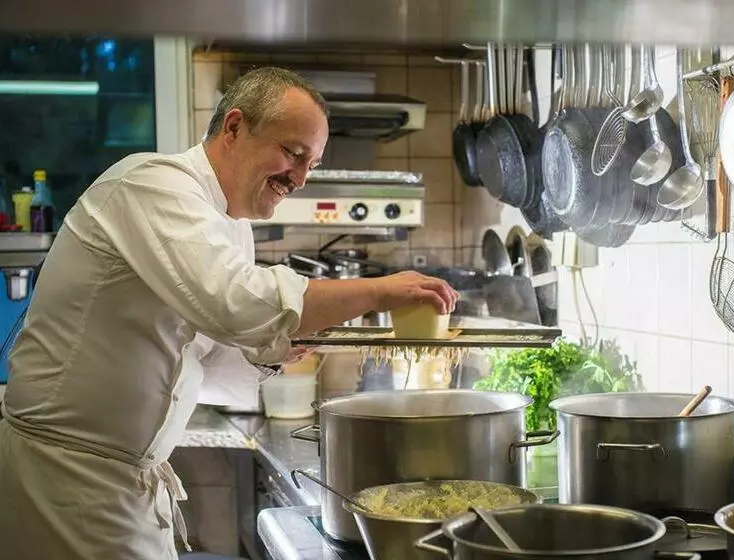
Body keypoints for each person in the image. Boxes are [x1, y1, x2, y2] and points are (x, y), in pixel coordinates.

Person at [0, 67, 457, 559]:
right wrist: (379, 291)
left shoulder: (230, 225)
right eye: (293, 153)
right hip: (66, 480)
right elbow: (236, 303)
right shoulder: (152, 184)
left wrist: (276, 351)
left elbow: (207, 363)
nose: (300, 178)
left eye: (313, 164)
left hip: (119, 486)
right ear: (234, 127)